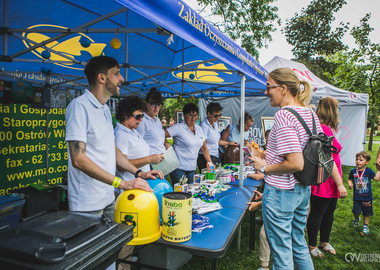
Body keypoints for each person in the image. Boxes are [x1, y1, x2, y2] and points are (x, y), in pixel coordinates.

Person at [249, 67, 343, 269]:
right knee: (298, 244)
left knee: (282, 253)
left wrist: (264, 167)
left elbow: (295, 163)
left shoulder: (284, 115)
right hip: (302, 189)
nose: (266, 92)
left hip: (281, 192)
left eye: (269, 87)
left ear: (283, 89)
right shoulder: (310, 113)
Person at [65, 56, 162, 221]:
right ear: (101, 78)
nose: (122, 79)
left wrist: (138, 173)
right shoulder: (79, 106)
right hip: (87, 203)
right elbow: (78, 159)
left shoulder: (104, 110)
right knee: (95, 247)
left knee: (118, 244)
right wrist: (122, 183)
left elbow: (112, 149)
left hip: (108, 196)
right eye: (117, 73)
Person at [306, 97, 348, 257]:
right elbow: (326, 159)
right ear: (331, 110)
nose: (338, 112)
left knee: (329, 211)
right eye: (337, 108)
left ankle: (324, 241)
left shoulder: (327, 128)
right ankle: (312, 245)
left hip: (332, 177)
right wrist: (339, 184)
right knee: (318, 211)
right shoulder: (322, 129)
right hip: (324, 178)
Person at [165, 103, 212, 185]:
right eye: (190, 115)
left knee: (191, 192)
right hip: (178, 167)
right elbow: (162, 135)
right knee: (181, 194)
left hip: (192, 168)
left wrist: (210, 162)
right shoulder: (178, 127)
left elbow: (204, 148)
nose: (193, 118)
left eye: (195, 115)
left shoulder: (199, 129)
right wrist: (167, 146)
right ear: (184, 116)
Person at [197, 102, 237, 171]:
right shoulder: (204, 126)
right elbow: (203, 146)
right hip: (206, 158)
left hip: (214, 156)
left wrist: (229, 143)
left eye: (219, 115)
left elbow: (217, 141)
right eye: (216, 115)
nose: (218, 117)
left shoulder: (215, 125)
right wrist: (209, 162)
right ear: (209, 114)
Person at [348, 151, 380, 235]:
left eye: (360, 160)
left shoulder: (369, 171)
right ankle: (356, 219)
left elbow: (376, 178)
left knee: (367, 212)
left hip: (367, 197)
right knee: (356, 211)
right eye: (357, 159)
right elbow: (349, 178)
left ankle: (365, 225)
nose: (358, 161)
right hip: (357, 197)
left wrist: (379, 170)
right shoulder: (353, 171)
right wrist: (350, 183)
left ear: (367, 162)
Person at [136, 88, 170, 155]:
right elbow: (138, 144)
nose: (156, 108)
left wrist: (166, 144)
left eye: (159, 105)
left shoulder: (157, 120)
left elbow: (160, 140)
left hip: (162, 157)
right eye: (153, 104)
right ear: (146, 104)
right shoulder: (142, 121)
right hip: (151, 160)